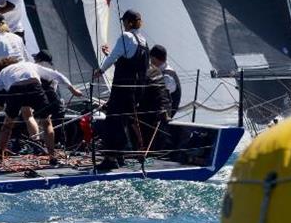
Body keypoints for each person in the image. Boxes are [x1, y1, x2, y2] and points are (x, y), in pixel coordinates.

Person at [0, 56, 83, 160]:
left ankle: (0, 156)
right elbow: (55, 74)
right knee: (46, 123)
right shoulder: (29, 65)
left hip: (16, 89)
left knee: (8, 125)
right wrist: (72, 89)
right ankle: (52, 157)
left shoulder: (3, 72)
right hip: (33, 86)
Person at [92, 9, 149, 170]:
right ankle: (121, 155)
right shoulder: (143, 41)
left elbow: (113, 58)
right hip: (136, 90)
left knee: (113, 121)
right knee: (123, 121)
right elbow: (129, 63)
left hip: (122, 89)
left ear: (129, 22)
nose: (123, 24)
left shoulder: (126, 37)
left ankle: (111, 158)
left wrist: (101, 70)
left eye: (124, 21)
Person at [32, 49, 80, 147]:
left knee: (55, 113)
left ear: (39, 59)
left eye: (36, 58)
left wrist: (72, 90)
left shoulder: (39, 68)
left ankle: (49, 142)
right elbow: (59, 79)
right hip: (47, 98)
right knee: (57, 113)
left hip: (42, 98)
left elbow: (58, 78)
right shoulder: (52, 69)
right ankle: (57, 142)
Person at [148, 44, 181, 117]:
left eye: (151, 59)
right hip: (158, 111)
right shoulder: (160, 71)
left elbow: (157, 94)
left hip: (164, 116)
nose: (150, 62)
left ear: (155, 59)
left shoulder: (167, 76)